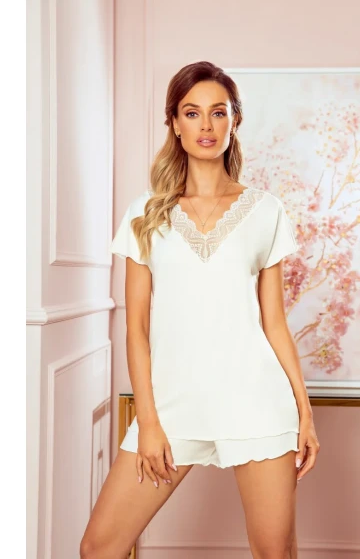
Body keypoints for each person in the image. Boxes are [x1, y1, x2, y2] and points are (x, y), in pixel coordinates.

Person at [80, 60, 320, 559]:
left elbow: (274, 324)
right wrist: (148, 421)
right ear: (174, 122)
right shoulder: (146, 213)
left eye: (218, 112)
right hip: (171, 406)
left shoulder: (266, 211)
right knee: (99, 548)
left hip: (256, 400)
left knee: (274, 553)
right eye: (192, 113)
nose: (206, 125)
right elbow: (136, 327)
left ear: (235, 120)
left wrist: (305, 412)